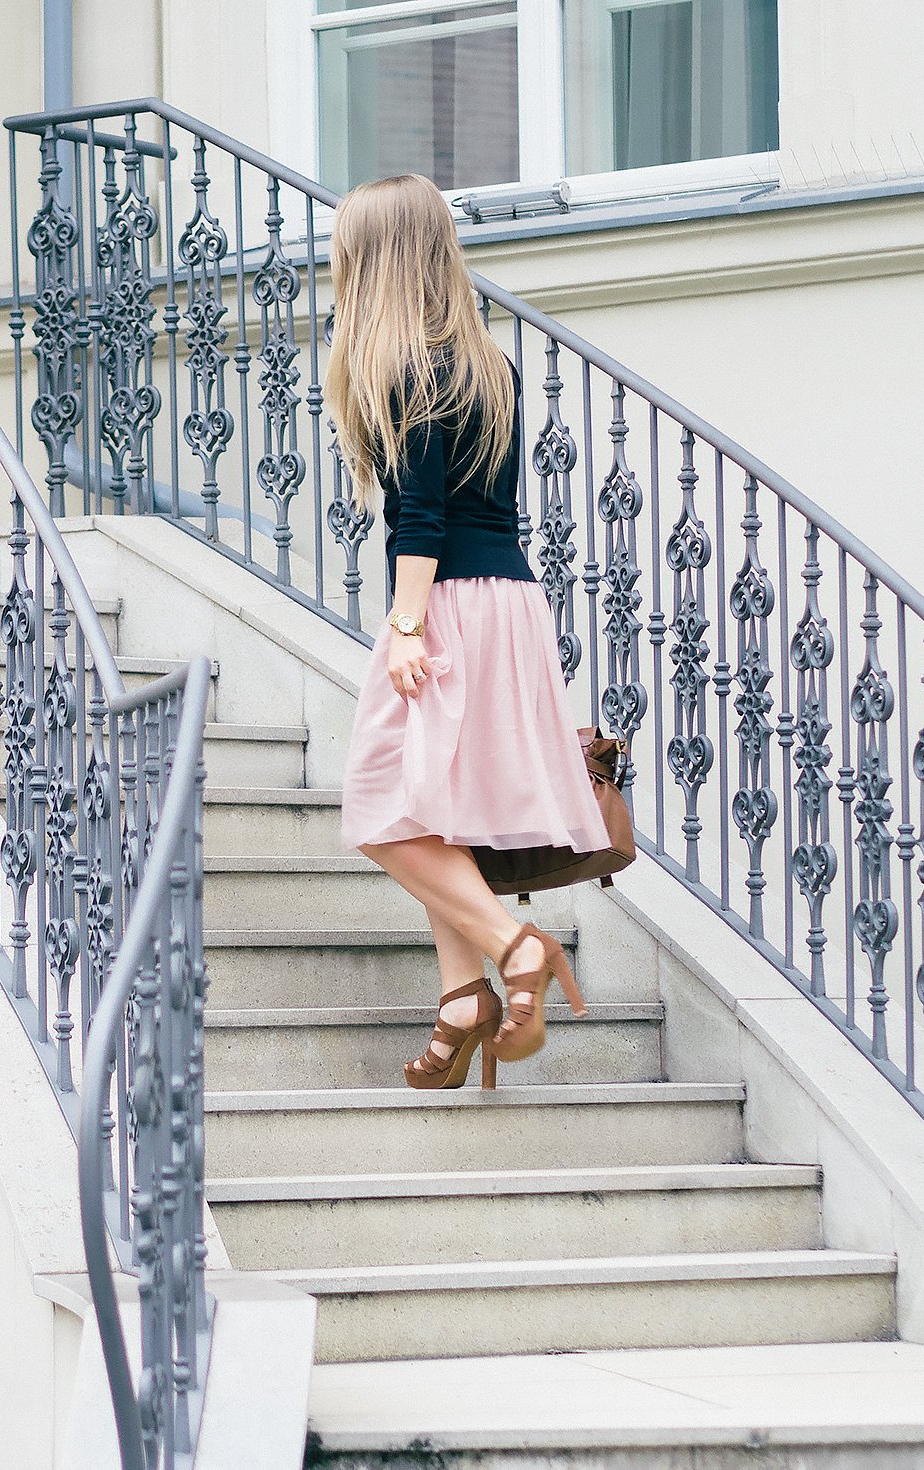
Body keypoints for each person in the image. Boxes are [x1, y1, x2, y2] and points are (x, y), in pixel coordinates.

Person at [328, 173, 609, 1091]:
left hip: (444, 601)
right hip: (509, 600)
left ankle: (513, 947)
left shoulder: (403, 363)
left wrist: (406, 625)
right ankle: (461, 998)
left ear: (373, 256)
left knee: (377, 803)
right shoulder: (488, 360)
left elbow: (422, 519)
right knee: (431, 811)